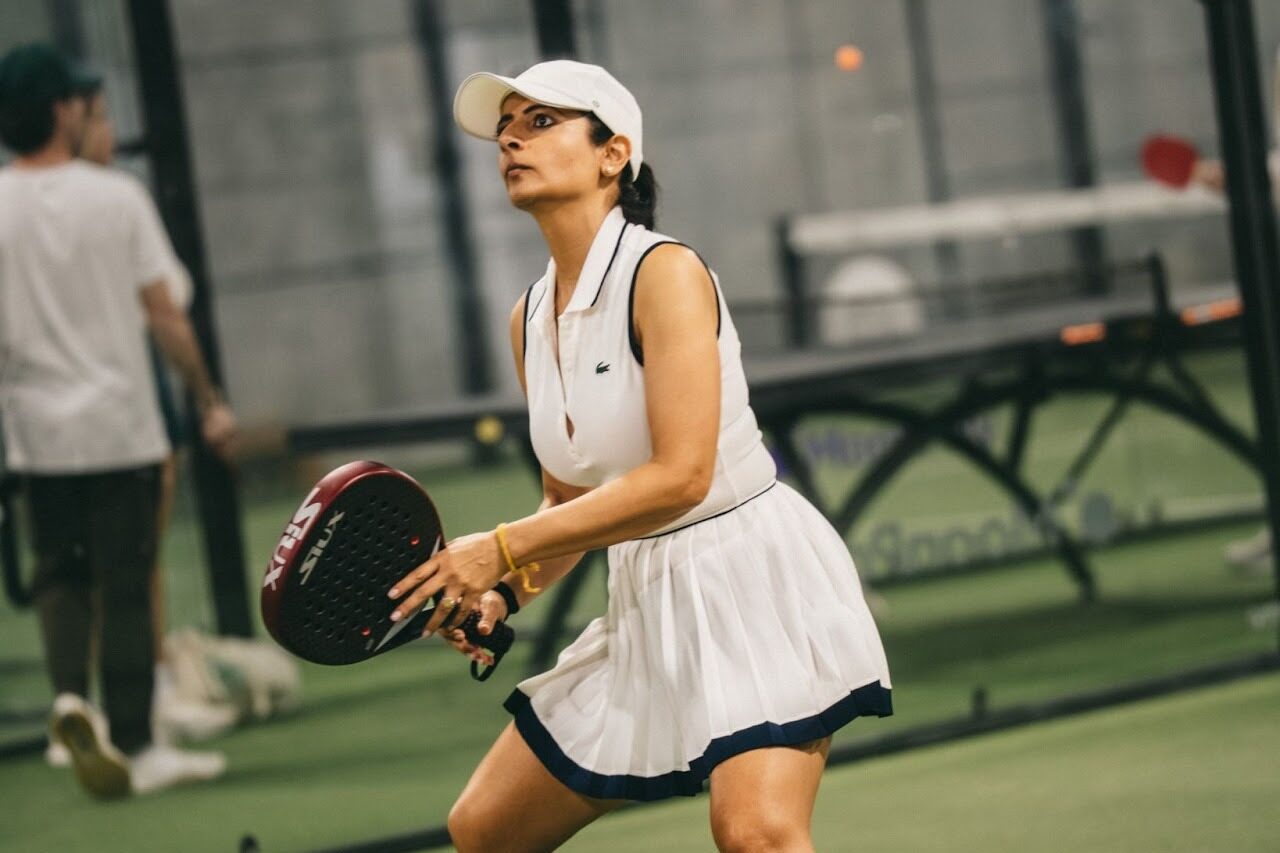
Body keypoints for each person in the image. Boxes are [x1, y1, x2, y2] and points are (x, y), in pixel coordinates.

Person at [387, 60, 894, 852]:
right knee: (485, 830)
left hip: (752, 581)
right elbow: (569, 499)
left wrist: (499, 549)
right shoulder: (530, 318)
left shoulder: (666, 272)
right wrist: (505, 592)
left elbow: (680, 477)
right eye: (506, 127)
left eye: (541, 121)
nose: (512, 139)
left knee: (757, 833)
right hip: (643, 601)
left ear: (611, 154)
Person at [0, 43, 235, 798]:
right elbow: (166, 314)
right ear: (62, 110)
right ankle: (136, 739)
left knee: (59, 575)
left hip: (34, 432)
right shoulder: (115, 198)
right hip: (119, 424)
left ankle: (72, 705)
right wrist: (205, 397)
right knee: (126, 582)